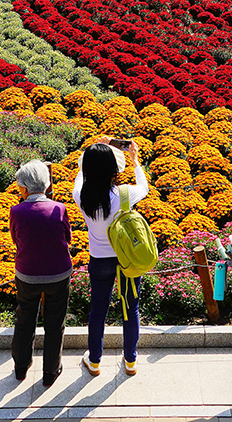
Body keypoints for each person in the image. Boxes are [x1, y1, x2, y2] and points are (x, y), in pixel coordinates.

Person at [73, 138, 147, 377]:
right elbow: (144, 188)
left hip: (99, 260)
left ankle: (94, 362)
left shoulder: (81, 196)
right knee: (130, 308)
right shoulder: (125, 195)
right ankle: (130, 362)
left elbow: (80, 171)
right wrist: (135, 161)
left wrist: (92, 150)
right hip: (126, 260)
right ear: (114, 170)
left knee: (98, 310)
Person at [9, 160, 73, 387]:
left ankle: (20, 367)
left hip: (27, 274)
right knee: (55, 323)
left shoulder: (17, 211)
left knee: (25, 318)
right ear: (47, 185)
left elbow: (16, 240)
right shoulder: (59, 208)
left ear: (24, 188)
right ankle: (51, 371)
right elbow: (67, 238)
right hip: (59, 273)